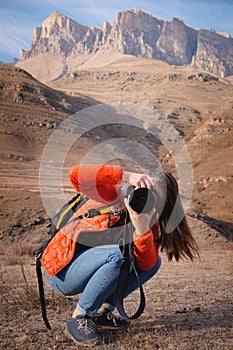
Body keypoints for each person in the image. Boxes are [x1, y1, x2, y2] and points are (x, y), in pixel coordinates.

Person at [42, 164, 199, 346]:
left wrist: (142, 229)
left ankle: (101, 312)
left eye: (155, 199)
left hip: (92, 267)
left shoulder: (150, 221)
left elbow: (146, 266)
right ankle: (80, 317)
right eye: (146, 191)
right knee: (117, 256)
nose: (147, 199)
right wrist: (127, 175)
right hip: (62, 270)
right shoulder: (113, 194)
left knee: (154, 263)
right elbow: (76, 174)